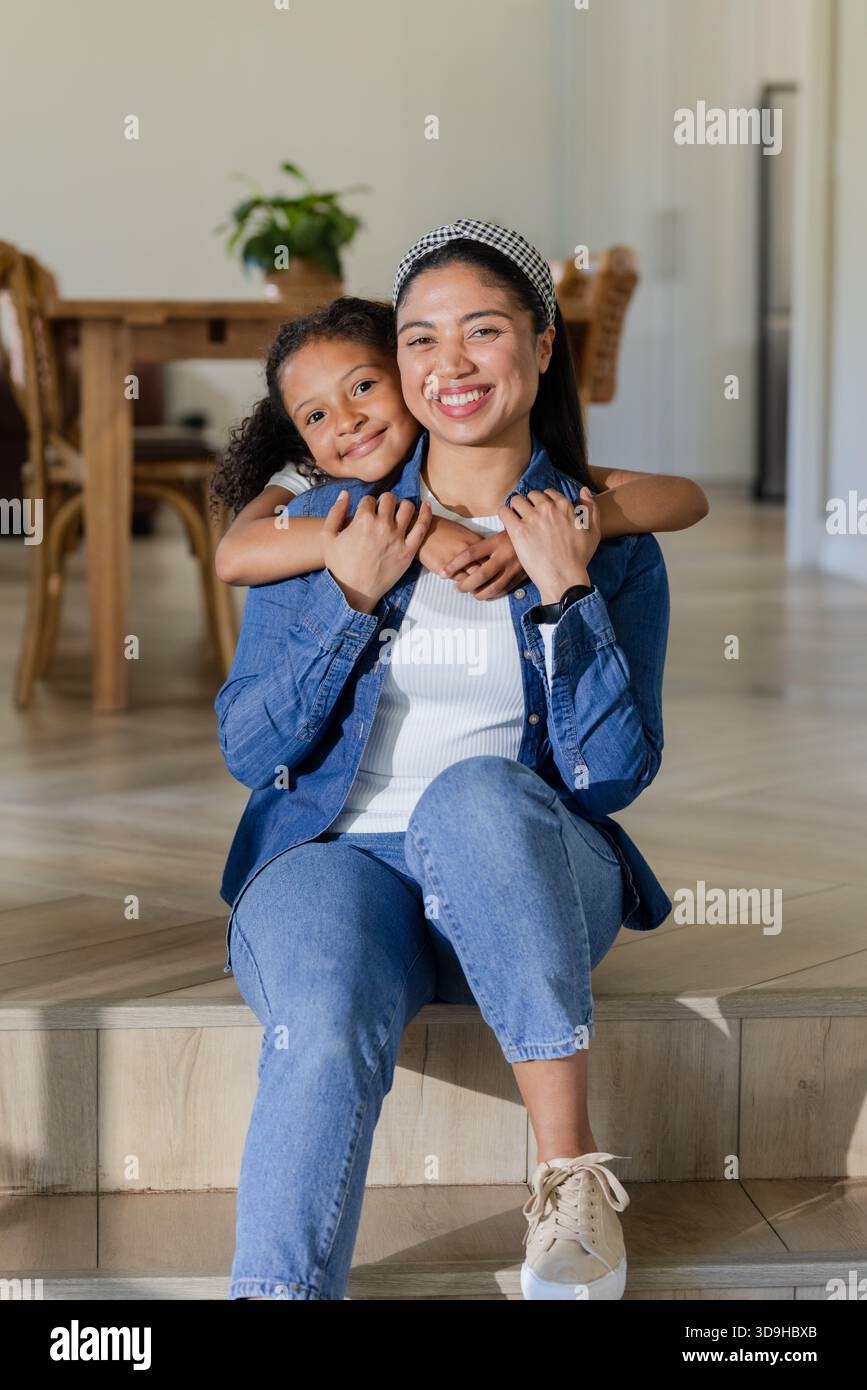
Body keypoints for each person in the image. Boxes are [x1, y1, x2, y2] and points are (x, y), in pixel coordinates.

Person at [214, 218, 694, 1301]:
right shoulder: (324, 524)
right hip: (339, 864)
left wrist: (567, 590)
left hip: (525, 872)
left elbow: (614, 775)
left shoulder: (597, 532)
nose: (451, 363)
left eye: (482, 330)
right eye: (422, 339)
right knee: (325, 1004)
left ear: (540, 342)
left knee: (476, 795)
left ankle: (570, 1187)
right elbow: (251, 747)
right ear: (401, 364)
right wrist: (347, 597)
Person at [209, 297, 708, 593]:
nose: (348, 421)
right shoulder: (310, 472)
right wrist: (411, 533)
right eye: (316, 416)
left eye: (363, 387)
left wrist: (531, 538)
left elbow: (686, 497)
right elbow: (234, 556)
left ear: (409, 376)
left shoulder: (469, 449)